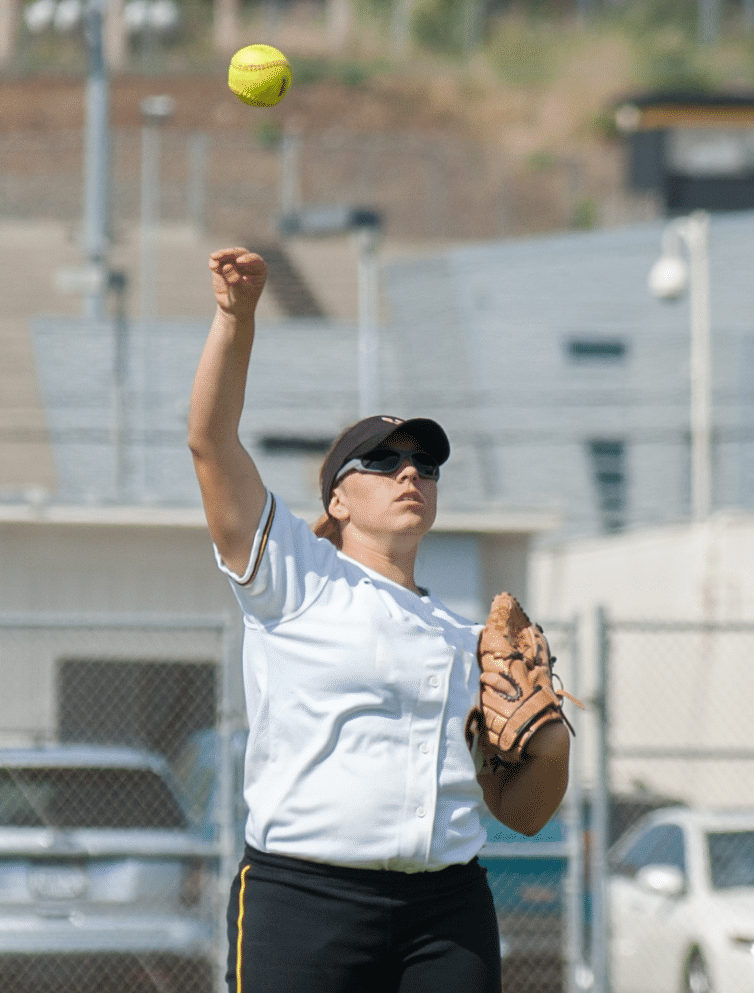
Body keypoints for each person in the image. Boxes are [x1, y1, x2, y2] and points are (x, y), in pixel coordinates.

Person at [187, 246, 571, 993]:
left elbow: (519, 814)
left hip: (445, 909)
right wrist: (235, 319)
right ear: (337, 499)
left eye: (424, 465)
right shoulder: (295, 576)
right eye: (384, 461)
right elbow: (210, 442)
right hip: (305, 899)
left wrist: (551, 751)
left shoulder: (472, 642)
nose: (409, 474)